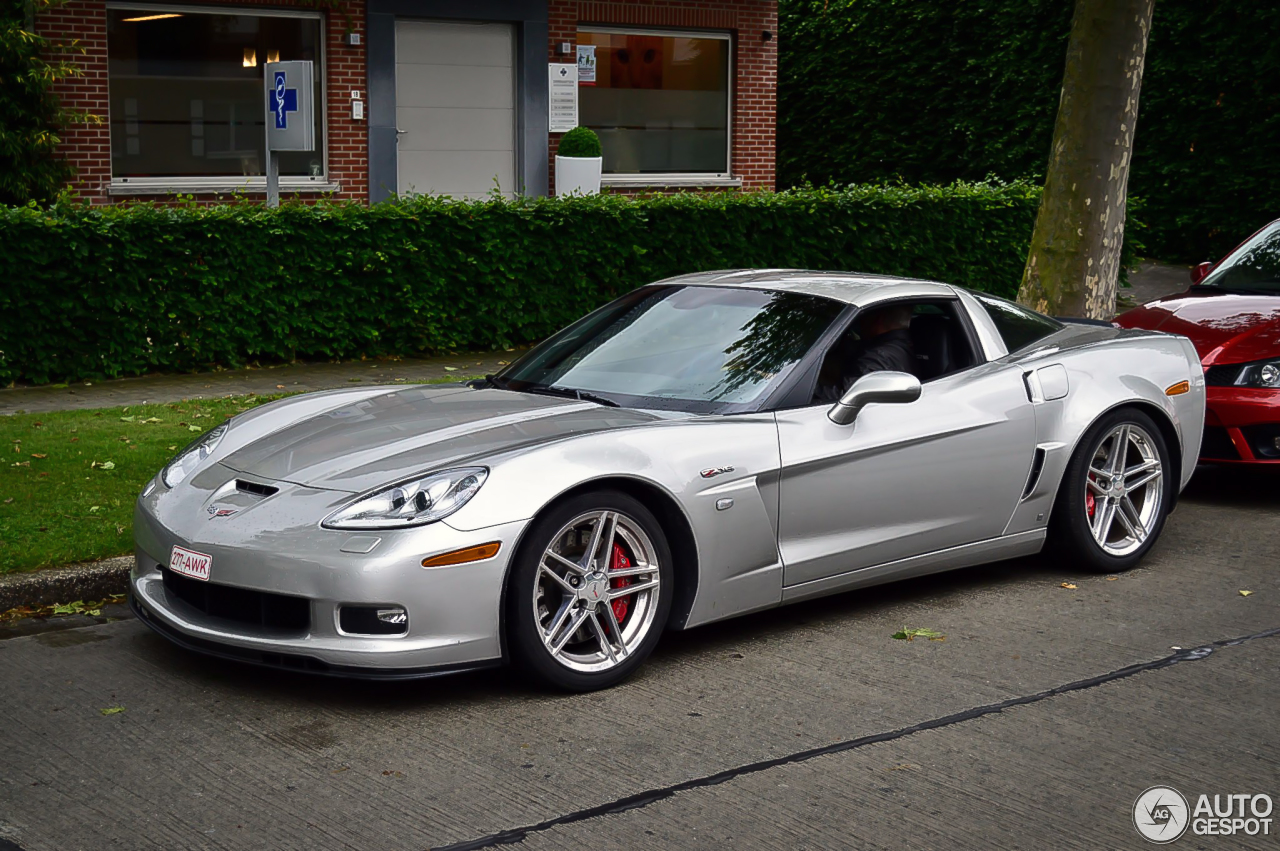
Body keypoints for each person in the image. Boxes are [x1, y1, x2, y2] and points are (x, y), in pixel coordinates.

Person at [816, 304, 915, 403]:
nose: (860, 322)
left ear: (876, 319)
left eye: (863, 316)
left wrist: (812, 388)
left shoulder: (878, 357)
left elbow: (845, 399)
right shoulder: (903, 345)